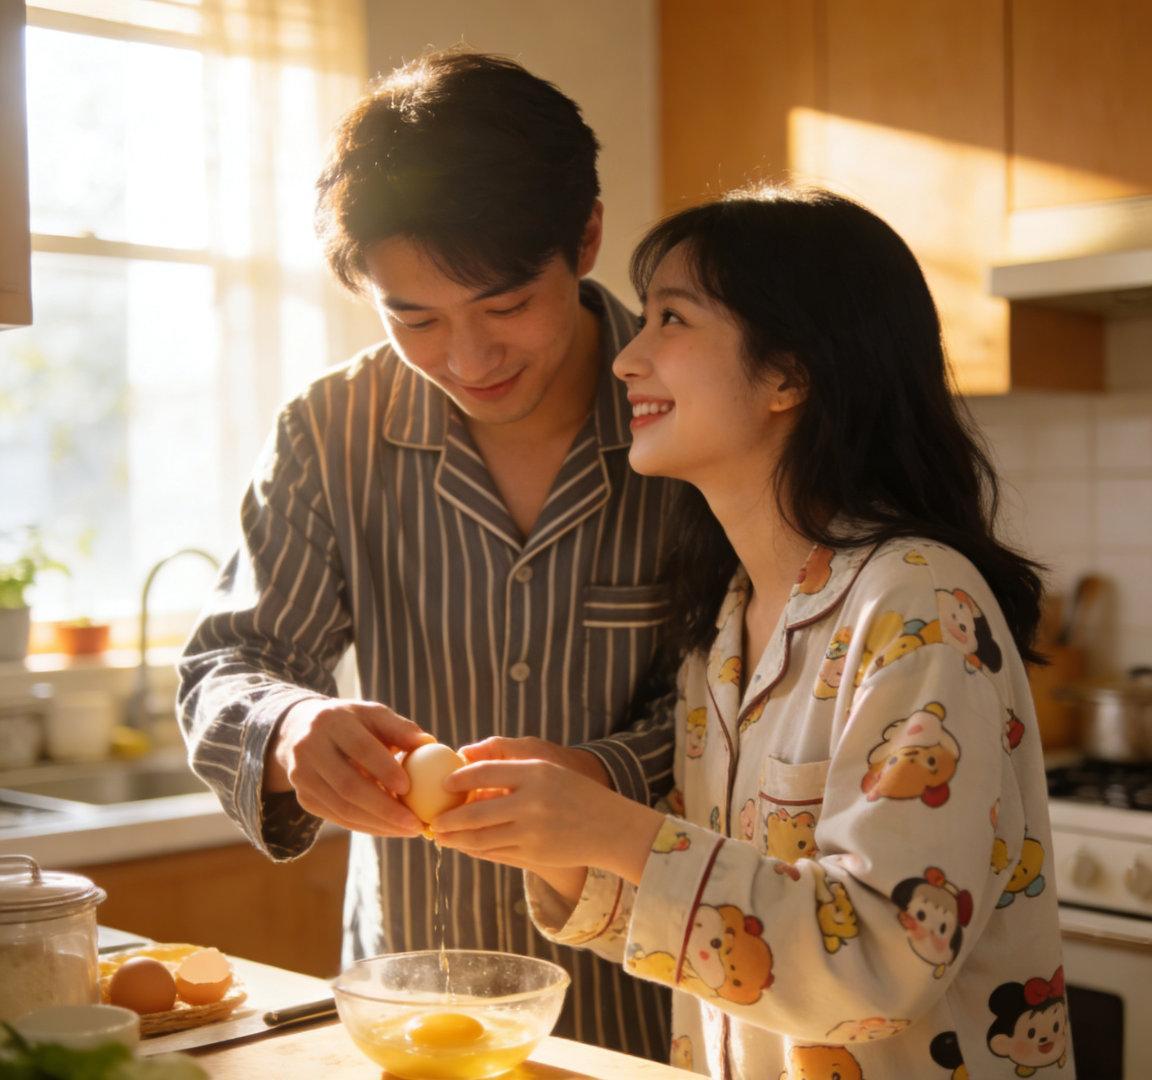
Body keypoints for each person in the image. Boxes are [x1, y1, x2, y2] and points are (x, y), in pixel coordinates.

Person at [431, 187, 1071, 1078]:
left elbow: (881, 962)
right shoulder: (729, 623)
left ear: (788, 374)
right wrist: (564, 842)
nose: (627, 359)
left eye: (671, 320)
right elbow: (737, 935)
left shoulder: (918, 602)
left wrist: (613, 830)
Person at [177, 50, 679, 1059]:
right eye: (415, 318)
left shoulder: (693, 416)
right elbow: (226, 661)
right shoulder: (330, 429)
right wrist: (291, 727)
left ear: (583, 238)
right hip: (416, 1003)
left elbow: (768, 704)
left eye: (504, 305)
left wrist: (600, 777)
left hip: (663, 999)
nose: (469, 359)